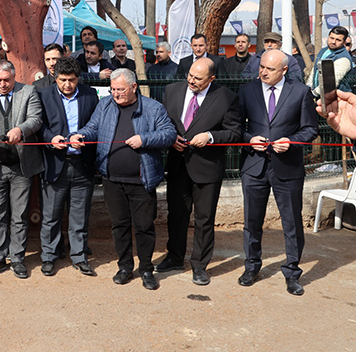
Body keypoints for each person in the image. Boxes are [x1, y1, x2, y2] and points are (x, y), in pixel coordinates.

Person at [70, 69, 175, 290]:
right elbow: (93, 128)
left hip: (142, 179)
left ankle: (146, 269)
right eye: (113, 89)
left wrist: (144, 139)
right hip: (112, 178)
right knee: (119, 226)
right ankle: (125, 267)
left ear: (134, 87)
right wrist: (80, 135)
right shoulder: (105, 105)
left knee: (144, 226)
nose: (116, 94)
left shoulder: (153, 108)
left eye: (120, 89)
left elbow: (169, 134)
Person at [237, 49, 318, 296]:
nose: (263, 72)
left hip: (288, 167)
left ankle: (292, 273)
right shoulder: (247, 90)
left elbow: (310, 129)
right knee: (252, 221)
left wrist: (291, 142)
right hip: (254, 166)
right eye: (261, 66)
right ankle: (251, 266)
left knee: (292, 223)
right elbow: (236, 127)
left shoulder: (301, 92)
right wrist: (249, 139)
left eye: (269, 69)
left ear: (284, 70)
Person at [157, 58, 241, 286]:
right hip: (177, 165)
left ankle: (200, 265)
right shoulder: (172, 91)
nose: (192, 81)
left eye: (198, 78)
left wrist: (210, 137)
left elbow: (235, 132)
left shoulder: (226, 97)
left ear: (211, 79)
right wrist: (170, 137)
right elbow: (163, 122)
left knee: (204, 219)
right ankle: (174, 257)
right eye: (190, 75)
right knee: (176, 215)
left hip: (207, 168)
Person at [0, 60, 43, 279]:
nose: (2, 84)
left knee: (20, 214)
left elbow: (36, 119)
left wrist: (20, 130)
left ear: (14, 77)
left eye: (6, 80)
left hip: (20, 165)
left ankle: (17, 259)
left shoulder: (28, 92)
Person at [38, 57, 99, 277]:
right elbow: (39, 126)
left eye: (71, 80)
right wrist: (50, 139)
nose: (67, 84)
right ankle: (49, 256)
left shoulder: (90, 95)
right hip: (55, 164)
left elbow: (95, 124)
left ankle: (79, 256)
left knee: (79, 216)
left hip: (82, 164)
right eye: (63, 80)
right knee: (51, 216)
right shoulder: (43, 96)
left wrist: (84, 137)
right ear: (55, 78)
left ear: (78, 78)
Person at [308, 25, 353, 97]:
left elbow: (331, 81)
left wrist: (313, 93)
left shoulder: (344, 58)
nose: (333, 42)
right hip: (319, 95)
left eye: (338, 40)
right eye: (332, 38)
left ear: (344, 42)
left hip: (336, 98)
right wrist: (308, 87)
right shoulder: (323, 51)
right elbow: (315, 70)